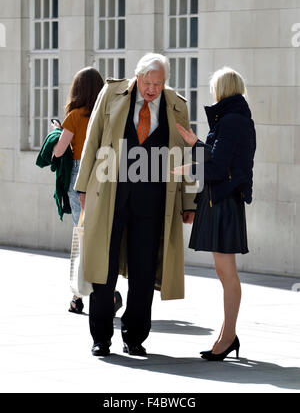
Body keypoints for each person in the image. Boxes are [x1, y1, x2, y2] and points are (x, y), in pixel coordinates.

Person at [74, 53, 196, 357]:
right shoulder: (111, 94)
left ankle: (135, 336)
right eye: (147, 82)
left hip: (154, 198)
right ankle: (101, 336)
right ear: (137, 77)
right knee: (104, 266)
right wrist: (82, 186)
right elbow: (93, 140)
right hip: (110, 192)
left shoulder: (177, 105)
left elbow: (185, 156)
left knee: (144, 270)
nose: (152, 89)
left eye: (159, 83)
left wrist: (189, 200)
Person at [174, 66, 256, 361]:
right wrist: (196, 142)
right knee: (225, 274)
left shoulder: (232, 121)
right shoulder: (234, 119)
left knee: (227, 274)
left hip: (222, 203)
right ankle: (226, 335)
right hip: (221, 202)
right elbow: (219, 155)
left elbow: (219, 167)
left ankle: (228, 336)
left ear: (221, 89)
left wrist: (183, 169)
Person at [52, 66, 123, 316]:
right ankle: (104, 290)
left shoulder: (74, 116)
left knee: (82, 235)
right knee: (100, 236)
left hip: (79, 174)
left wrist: (57, 132)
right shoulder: (108, 113)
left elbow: (59, 151)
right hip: (104, 173)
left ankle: (81, 296)